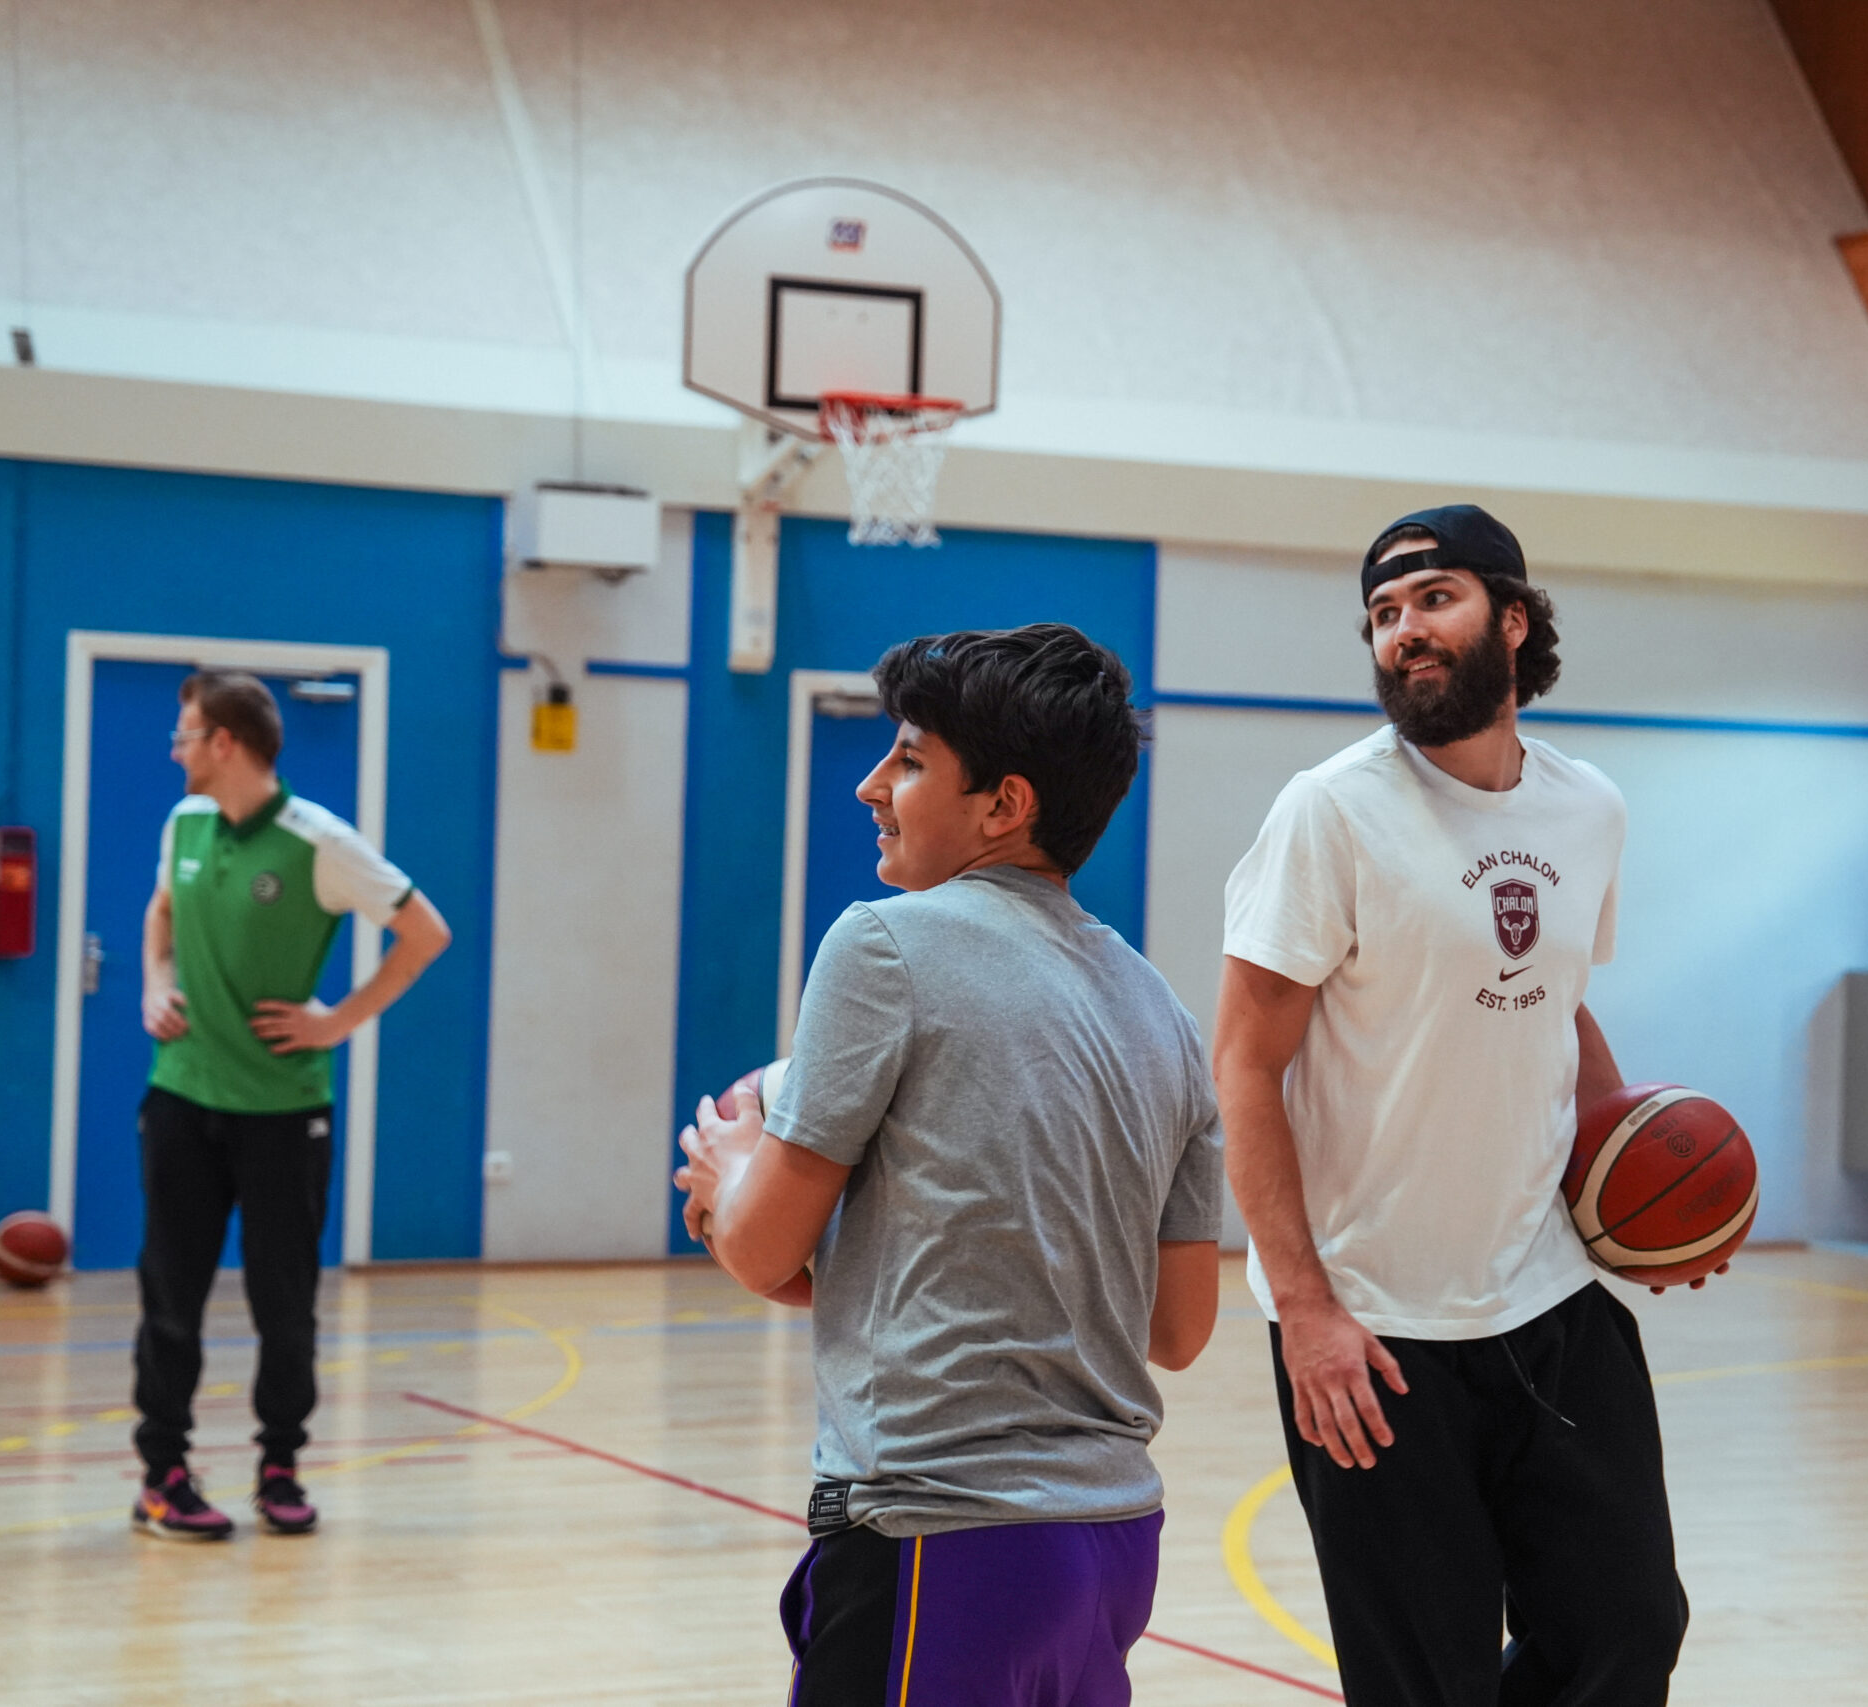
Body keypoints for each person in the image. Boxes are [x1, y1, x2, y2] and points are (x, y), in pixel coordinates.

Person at [674, 623, 1225, 1707]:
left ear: (1004, 804)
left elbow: (761, 1250)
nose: (871, 785)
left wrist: (729, 1175)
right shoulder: (1161, 1010)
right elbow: (1178, 1327)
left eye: (911, 759)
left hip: (940, 1534)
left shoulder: (883, 943)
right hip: (1115, 1545)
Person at [1215, 505, 1703, 1705]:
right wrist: (1306, 1310)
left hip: (1547, 1296)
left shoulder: (1587, 808)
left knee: (1628, 1628)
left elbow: (1555, 1003)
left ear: (1514, 619)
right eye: (1383, 614)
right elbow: (1243, 1064)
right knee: (1423, 1682)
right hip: (1372, 1327)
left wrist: (1638, 1187)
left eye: (1433, 599)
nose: (1403, 631)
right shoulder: (1329, 811)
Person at [130, 671, 451, 1541]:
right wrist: (155, 981)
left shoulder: (321, 841)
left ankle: (280, 1465)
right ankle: (162, 1475)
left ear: (225, 742)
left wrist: (337, 1020)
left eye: (185, 734)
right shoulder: (184, 822)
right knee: (170, 1294)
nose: (175, 749)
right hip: (181, 1097)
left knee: (284, 1302)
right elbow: (161, 911)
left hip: (283, 1111)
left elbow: (426, 930)